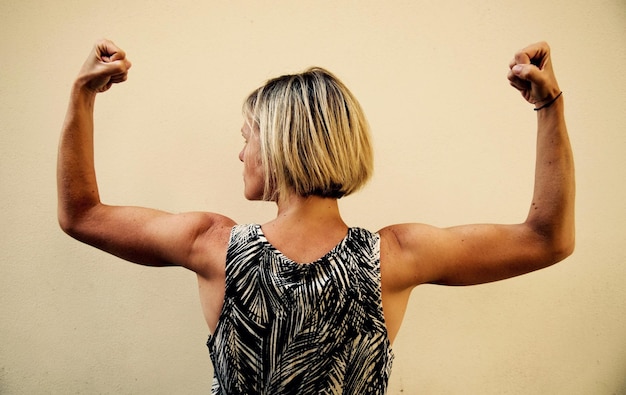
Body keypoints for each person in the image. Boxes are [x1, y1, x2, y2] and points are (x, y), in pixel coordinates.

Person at [57, 39, 575, 394]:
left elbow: (81, 214)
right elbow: (547, 238)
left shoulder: (211, 243)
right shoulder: (395, 256)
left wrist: (83, 95)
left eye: (247, 138)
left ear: (282, 143)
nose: (241, 155)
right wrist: (548, 104)